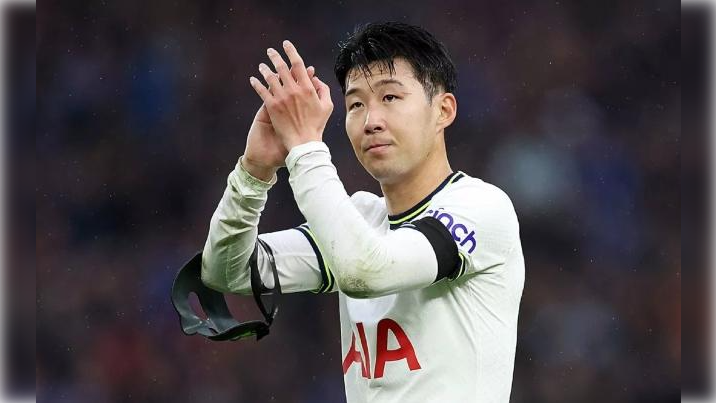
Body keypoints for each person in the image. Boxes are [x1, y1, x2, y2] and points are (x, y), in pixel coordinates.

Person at [201, 22, 525, 402]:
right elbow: (229, 271)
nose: (371, 121)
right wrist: (253, 174)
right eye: (356, 104)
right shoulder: (360, 220)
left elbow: (366, 271)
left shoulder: (481, 207)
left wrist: (305, 148)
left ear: (443, 110)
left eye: (390, 97)